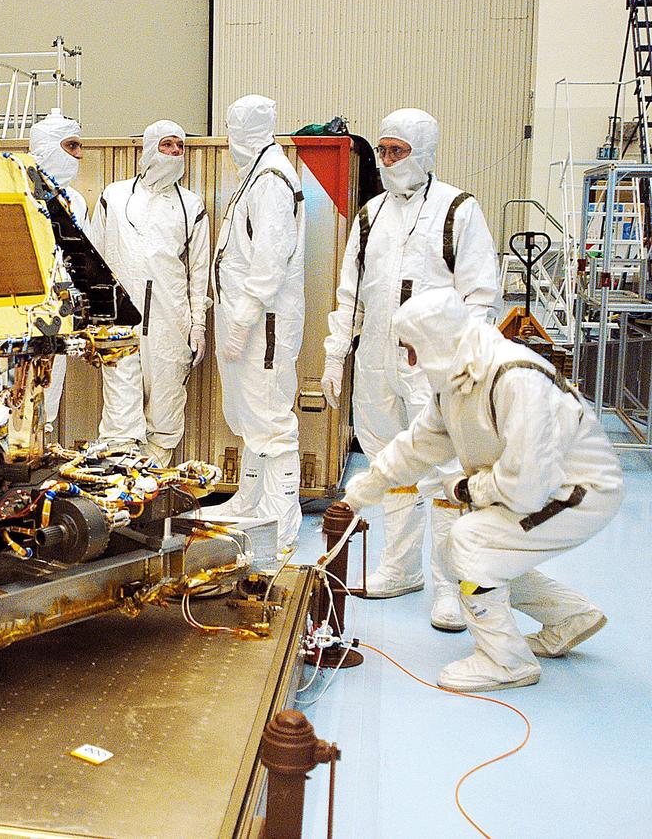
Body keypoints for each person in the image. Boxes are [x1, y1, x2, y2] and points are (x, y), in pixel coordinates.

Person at [343, 288, 622, 691]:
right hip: (543, 486)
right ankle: (569, 615)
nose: (410, 362)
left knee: (471, 541)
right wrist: (364, 490)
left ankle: (505, 661)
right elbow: (420, 443)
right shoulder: (458, 379)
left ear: (435, 342)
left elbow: (525, 486)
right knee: (455, 550)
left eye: (413, 349)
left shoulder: (514, 378)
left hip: (580, 490)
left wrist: (467, 488)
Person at [320, 108, 499, 630]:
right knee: (387, 460)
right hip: (377, 356)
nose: (388, 160)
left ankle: (449, 587)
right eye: (383, 150)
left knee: (445, 473)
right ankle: (399, 569)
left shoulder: (457, 210)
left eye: (397, 150)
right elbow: (350, 292)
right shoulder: (371, 214)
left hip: (433, 365)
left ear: (423, 151)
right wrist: (336, 353)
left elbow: (479, 293)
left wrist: (466, 361)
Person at [207, 94, 305, 549]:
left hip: (262, 323)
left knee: (269, 415)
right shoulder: (256, 175)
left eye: (232, 130)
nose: (228, 141)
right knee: (248, 412)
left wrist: (244, 317)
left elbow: (270, 258)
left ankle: (280, 517)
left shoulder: (272, 180)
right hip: (245, 319)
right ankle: (250, 499)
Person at [89, 120, 210, 466]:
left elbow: (198, 271)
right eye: (166, 144)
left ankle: (153, 486)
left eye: (179, 146)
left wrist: (197, 325)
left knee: (166, 407)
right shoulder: (115, 196)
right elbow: (93, 258)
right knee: (120, 412)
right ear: (149, 147)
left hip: (170, 324)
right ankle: (118, 487)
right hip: (120, 323)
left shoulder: (191, 206)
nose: (173, 152)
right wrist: (92, 318)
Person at [29, 108, 88, 434]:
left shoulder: (75, 201)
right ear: (49, 147)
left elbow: (84, 259)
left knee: (50, 394)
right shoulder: (18, 192)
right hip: (24, 315)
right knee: (18, 398)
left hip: (62, 313)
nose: (79, 156)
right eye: (71, 147)